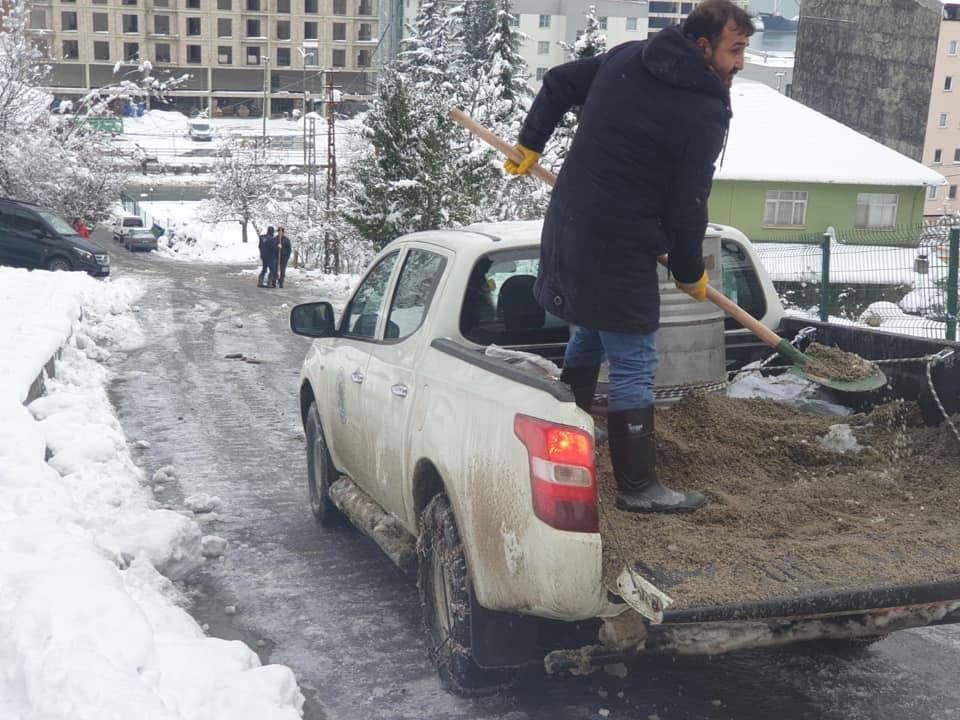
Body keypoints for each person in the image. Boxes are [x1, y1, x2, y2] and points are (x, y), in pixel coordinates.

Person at [504, 0, 752, 513]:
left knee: (591, 333)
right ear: (703, 47)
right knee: (635, 360)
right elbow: (690, 203)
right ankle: (638, 488)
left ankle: (572, 429)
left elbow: (557, 83)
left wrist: (531, 143)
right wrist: (688, 269)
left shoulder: (628, 57)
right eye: (735, 50)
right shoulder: (702, 110)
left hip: (571, 226)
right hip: (618, 247)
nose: (741, 63)